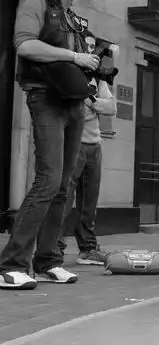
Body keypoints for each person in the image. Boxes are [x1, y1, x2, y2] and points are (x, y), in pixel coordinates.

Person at [0, 0, 101, 290]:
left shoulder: (72, 17)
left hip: (74, 104)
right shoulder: (35, 3)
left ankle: (47, 262)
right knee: (48, 180)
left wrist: (89, 68)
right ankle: (11, 265)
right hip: (46, 99)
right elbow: (25, 44)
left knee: (62, 186)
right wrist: (74, 56)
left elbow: (72, 63)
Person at [57, 34, 116, 266]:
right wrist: (93, 103)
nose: (91, 50)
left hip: (95, 145)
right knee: (64, 198)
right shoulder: (70, 73)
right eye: (87, 46)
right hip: (73, 144)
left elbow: (111, 108)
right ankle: (54, 248)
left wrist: (91, 101)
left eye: (93, 47)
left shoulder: (98, 78)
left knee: (89, 202)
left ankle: (88, 249)